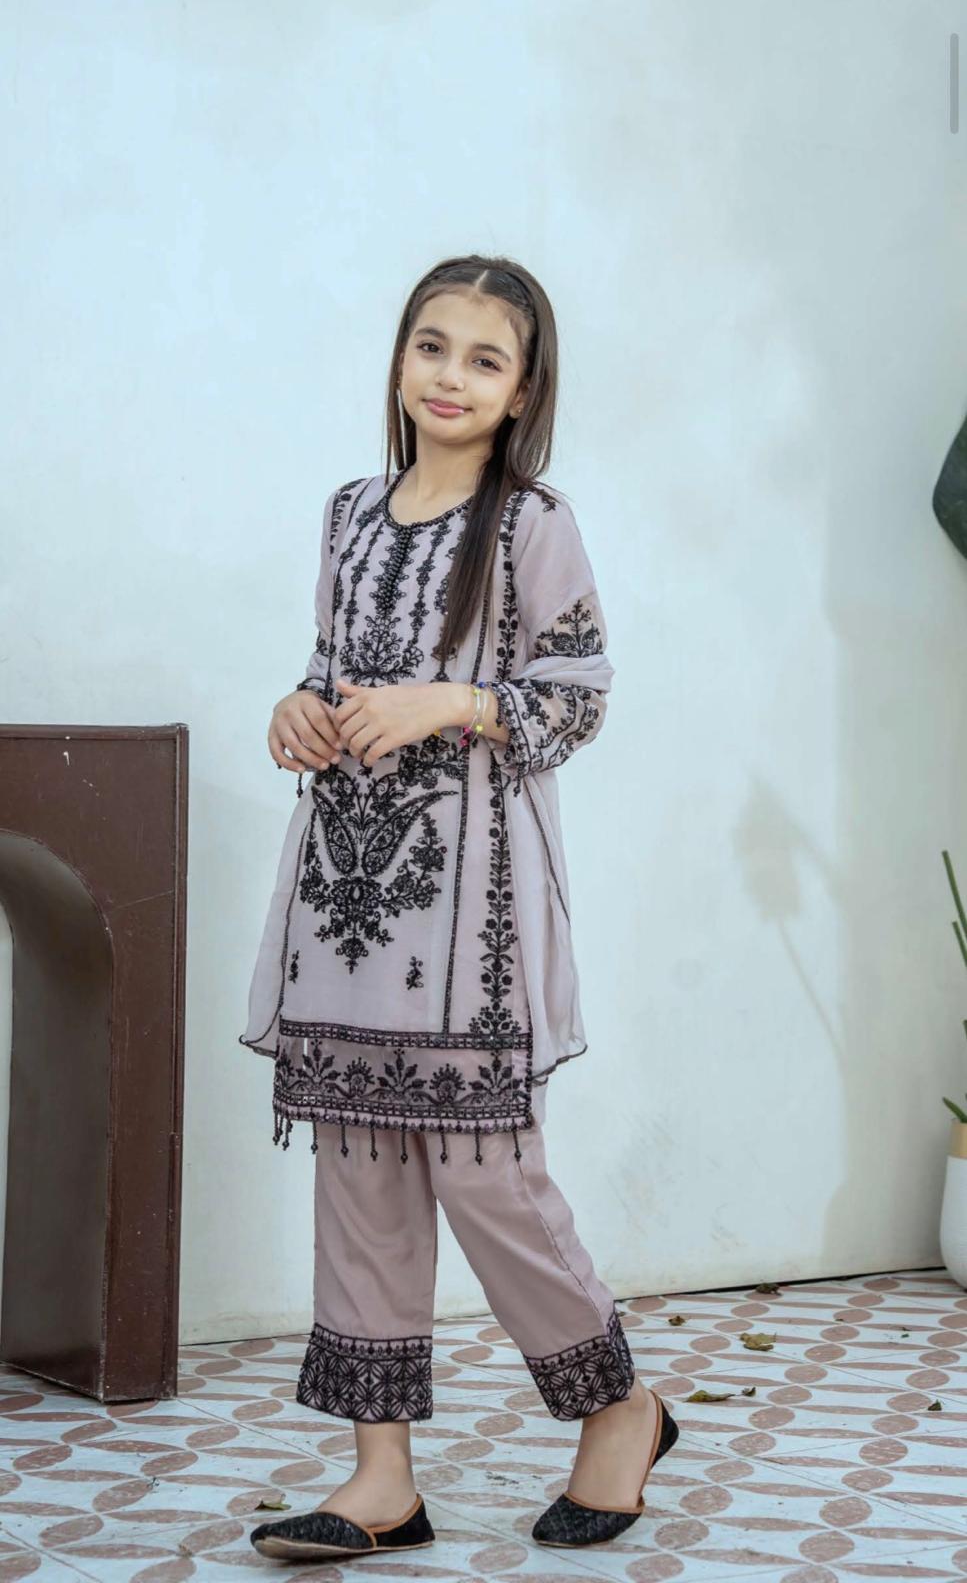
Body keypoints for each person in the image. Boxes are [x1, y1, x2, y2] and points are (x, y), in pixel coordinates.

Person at [242, 255, 678, 1564]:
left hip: (472, 910)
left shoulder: (533, 522)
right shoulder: (347, 514)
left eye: (485, 360)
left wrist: (454, 702)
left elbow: (578, 694)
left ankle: (619, 1409)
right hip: (347, 898)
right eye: (431, 346)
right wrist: (297, 708)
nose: (450, 376)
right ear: (398, 359)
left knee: (490, 1176)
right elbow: (333, 666)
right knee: (360, 1174)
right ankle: (381, 1479)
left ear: (522, 391)